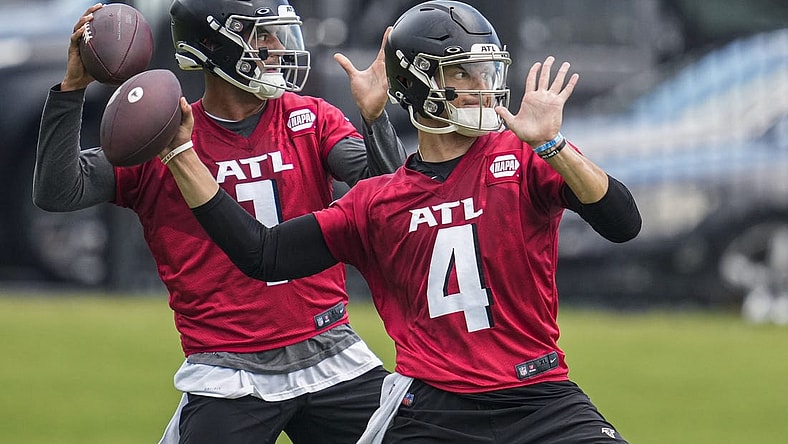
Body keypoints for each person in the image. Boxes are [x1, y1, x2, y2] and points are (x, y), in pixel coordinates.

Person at [159, 1, 642, 442]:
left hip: (540, 396)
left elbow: (622, 222)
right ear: (417, 83)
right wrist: (182, 155)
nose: (485, 87)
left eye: (487, 70)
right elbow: (262, 253)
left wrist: (552, 147)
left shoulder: (525, 156)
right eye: (465, 73)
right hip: (431, 409)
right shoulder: (377, 202)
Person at [33, 0, 408, 442]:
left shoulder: (311, 118)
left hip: (329, 351)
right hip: (228, 370)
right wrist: (73, 87)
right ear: (212, 45)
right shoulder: (161, 134)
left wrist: (374, 118)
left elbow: (391, 198)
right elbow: (58, 191)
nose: (277, 47)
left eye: (278, 34)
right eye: (261, 35)